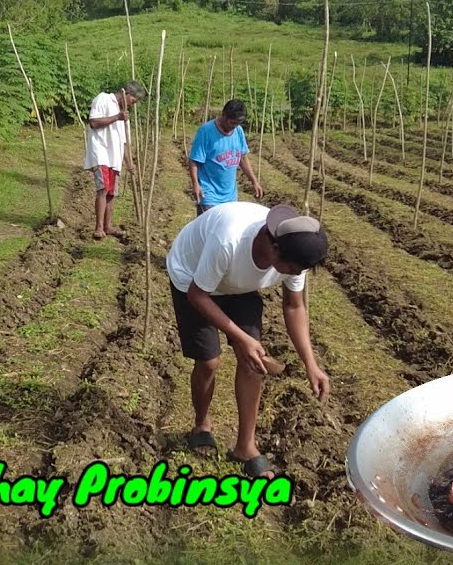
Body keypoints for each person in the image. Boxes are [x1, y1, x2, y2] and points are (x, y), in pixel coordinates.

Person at [165, 201, 331, 478]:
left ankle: (245, 446)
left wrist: (311, 364)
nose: (293, 274)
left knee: (254, 361)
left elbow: (294, 305)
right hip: (192, 277)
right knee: (209, 361)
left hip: (238, 284)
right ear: (274, 247)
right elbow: (197, 295)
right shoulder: (229, 240)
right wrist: (240, 337)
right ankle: (202, 426)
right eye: (290, 268)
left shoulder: (293, 253)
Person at [83, 81, 144, 240]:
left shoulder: (124, 115)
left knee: (111, 193)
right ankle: (98, 228)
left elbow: (123, 142)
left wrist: (129, 163)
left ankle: (108, 226)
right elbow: (94, 122)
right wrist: (117, 117)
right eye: (133, 101)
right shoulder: (103, 99)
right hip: (101, 152)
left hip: (114, 158)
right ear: (127, 94)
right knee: (102, 189)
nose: (132, 105)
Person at [189, 99, 263, 215]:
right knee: (210, 231)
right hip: (209, 195)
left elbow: (243, 158)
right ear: (224, 115)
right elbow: (194, 160)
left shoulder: (238, 131)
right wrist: (195, 185)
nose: (235, 126)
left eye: (238, 123)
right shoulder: (206, 131)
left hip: (230, 196)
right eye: (232, 123)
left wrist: (254, 181)